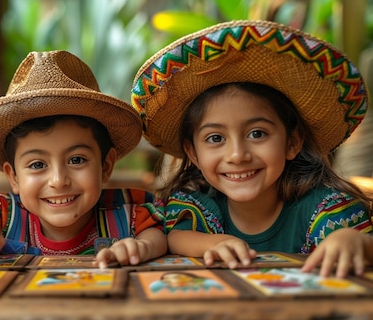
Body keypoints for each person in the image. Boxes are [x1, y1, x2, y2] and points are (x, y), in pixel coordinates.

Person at [131, 20, 373, 278]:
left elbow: (362, 248)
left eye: (257, 134)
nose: (237, 155)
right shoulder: (196, 206)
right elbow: (176, 237)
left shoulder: (328, 210)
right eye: (215, 138)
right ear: (193, 154)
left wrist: (355, 241)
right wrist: (213, 243)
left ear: (292, 143)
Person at [0, 50, 167, 268]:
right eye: (38, 165)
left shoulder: (127, 213)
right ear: (13, 177)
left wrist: (142, 247)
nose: (59, 180)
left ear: (106, 166)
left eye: (77, 160)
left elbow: (157, 238)